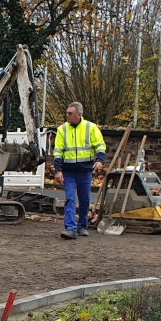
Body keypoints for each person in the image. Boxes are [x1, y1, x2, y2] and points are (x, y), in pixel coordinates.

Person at [52, 102, 106, 239]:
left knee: (85, 200)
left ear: (79, 114)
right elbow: (58, 152)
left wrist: (100, 160)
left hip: (85, 171)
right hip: (68, 171)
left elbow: (100, 146)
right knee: (70, 199)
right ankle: (70, 228)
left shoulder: (91, 128)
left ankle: (82, 225)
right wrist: (58, 170)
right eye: (67, 113)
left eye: (70, 113)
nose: (67, 115)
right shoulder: (62, 129)